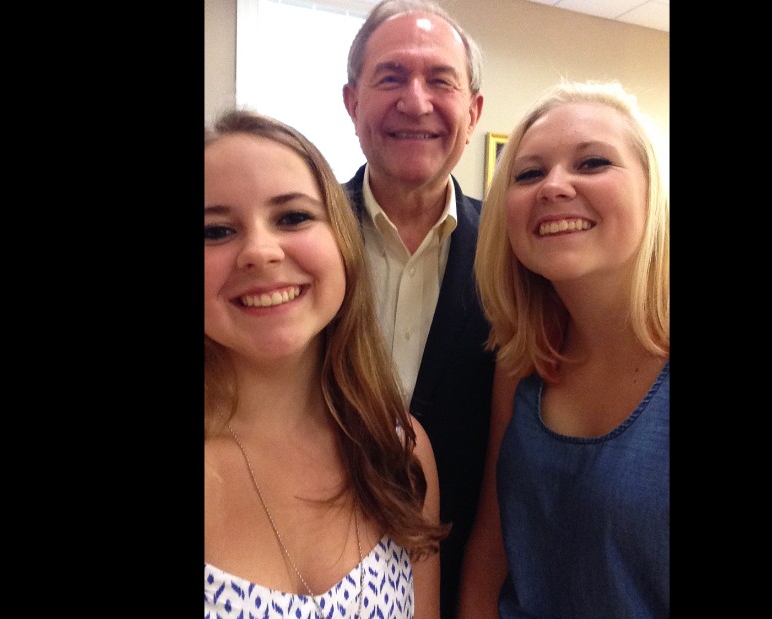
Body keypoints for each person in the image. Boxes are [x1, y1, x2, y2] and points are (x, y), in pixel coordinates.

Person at [204, 109, 450, 619]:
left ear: (343, 242)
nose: (260, 252)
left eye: (293, 217)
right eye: (215, 231)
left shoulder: (398, 446)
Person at [458, 80, 670, 619]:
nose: (554, 187)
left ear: (653, 191)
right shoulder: (524, 360)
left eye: (593, 163)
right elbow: (492, 550)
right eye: (529, 173)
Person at [340, 2, 495, 616]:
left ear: (474, 110)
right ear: (352, 102)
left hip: (464, 580)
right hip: (309, 572)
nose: (416, 100)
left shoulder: (520, 256)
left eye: (440, 80)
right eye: (390, 76)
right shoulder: (300, 246)